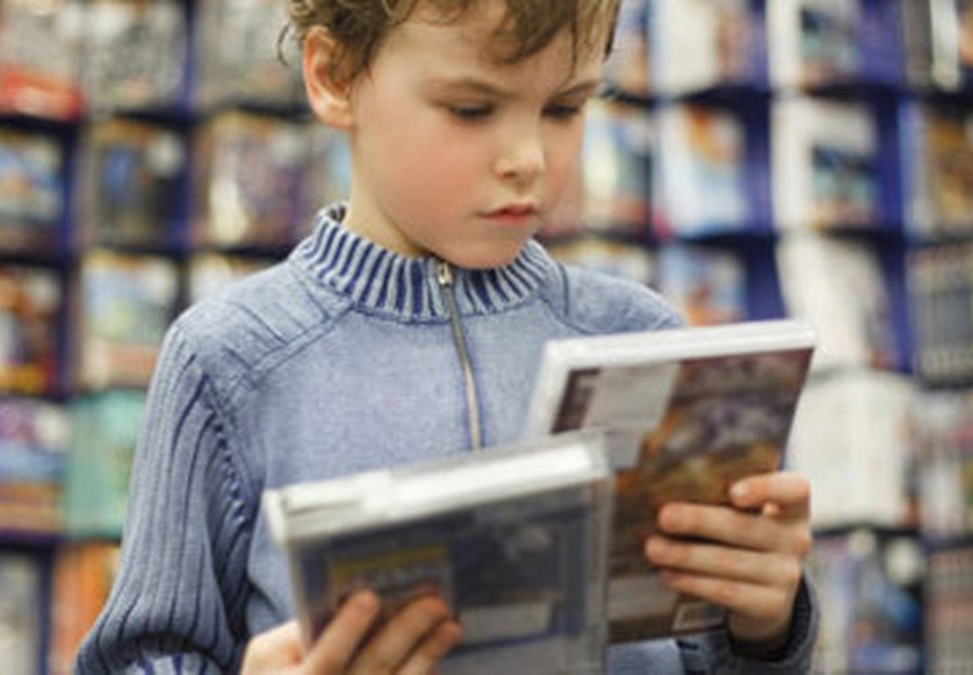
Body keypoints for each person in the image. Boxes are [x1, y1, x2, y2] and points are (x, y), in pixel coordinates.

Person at [76, 1, 818, 673]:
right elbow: (140, 658)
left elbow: (710, 654)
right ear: (334, 76)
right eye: (471, 108)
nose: (526, 156)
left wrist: (767, 626)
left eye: (565, 107)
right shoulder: (228, 359)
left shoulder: (638, 337)